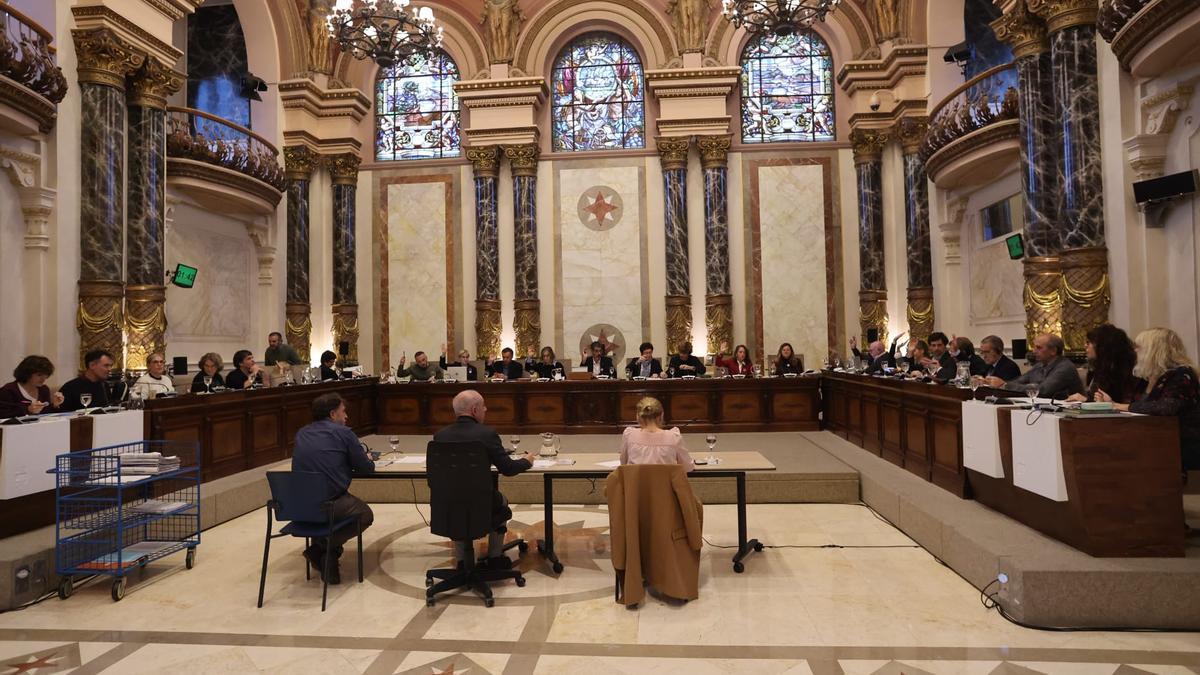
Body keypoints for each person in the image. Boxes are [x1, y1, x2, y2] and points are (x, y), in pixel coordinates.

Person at [431, 390, 538, 569]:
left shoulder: (440, 436)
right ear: (474, 410)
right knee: (501, 500)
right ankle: (495, 557)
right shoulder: (486, 434)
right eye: (483, 407)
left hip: (446, 504)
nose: (485, 409)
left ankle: (462, 561)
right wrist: (526, 461)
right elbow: (508, 469)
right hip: (480, 503)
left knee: (457, 500)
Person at [291, 392, 376, 584]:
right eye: (343, 412)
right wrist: (366, 458)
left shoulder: (302, 433)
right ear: (332, 414)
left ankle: (327, 558)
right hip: (329, 502)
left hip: (299, 505)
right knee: (364, 514)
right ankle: (324, 548)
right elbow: (366, 468)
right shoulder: (344, 433)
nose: (346, 417)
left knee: (329, 505)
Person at [1097, 327, 1199, 471]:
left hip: (1178, 445)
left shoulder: (1182, 374)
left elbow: (1167, 407)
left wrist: (1120, 406)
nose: (1135, 352)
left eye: (1139, 348)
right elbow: (1140, 406)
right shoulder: (1151, 377)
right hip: (1153, 441)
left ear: (1155, 351)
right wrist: (1112, 404)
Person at [984, 333, 1083, 400]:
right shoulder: (1039, 365)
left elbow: (1043, 391)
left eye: (1039, 348)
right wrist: (992, 383)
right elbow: (1019, 381)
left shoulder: (1065, 367)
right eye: (1034, 347)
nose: (1034, 351)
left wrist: (1005, 385)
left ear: (1053, 351)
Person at [1066, 324, 1140, 403]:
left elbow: (1110, 402)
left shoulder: (1120, 371)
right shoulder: (1100, 367)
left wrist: (1085, 400)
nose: (1085, 346)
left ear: (1102, 346)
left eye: (1089, 342)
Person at [619, 397, 695, 472]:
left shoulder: (629, 435)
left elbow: (623, 464)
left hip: (636, 484)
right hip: (665, 484)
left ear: (638, 416)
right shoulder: (674, 437)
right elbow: (687, 467)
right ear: (662, 415)